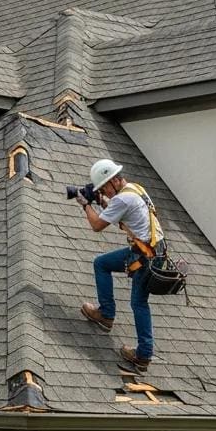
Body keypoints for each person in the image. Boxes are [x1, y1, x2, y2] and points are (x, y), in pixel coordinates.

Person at [76, 158, 165, 375]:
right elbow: (124, 217)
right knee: (102, 263)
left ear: (114, 181)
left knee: (139, 303)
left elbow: (97, 225)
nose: (104, 191)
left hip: (144, 256)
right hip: (154, 250)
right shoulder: (135, 189)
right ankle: (106, 315)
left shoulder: (122, 200)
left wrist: (86, 205)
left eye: (104, 187)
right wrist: (102, 203)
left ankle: (143, 354)